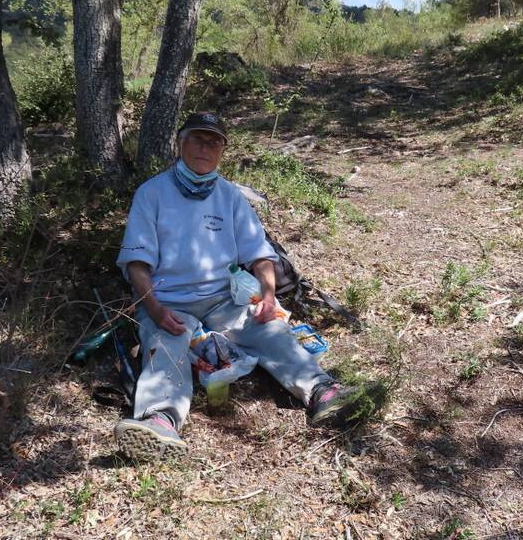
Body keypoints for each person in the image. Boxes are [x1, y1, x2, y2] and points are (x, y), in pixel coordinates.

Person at [112, 111, 364, 462]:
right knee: (166, 345)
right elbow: (137, 264)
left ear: (222, 151)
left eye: (213, 141)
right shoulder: (152, 193)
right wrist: (154, 308)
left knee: (271, 328)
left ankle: (322, 391)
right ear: (180, 143)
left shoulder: (230, 195)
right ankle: (160, 421)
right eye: (197, 139)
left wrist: (269, 295)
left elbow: (260, 256)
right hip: (168, 302)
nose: (205, 147)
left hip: (223, 299)